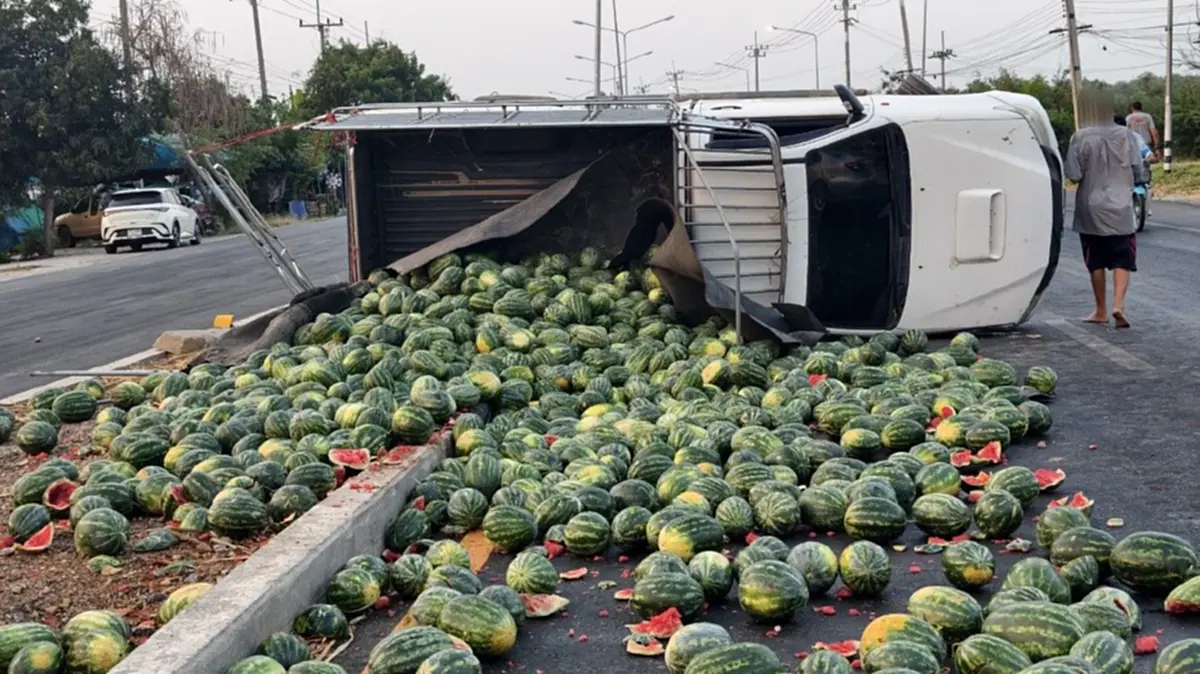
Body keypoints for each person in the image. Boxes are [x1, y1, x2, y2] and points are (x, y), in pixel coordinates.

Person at [1065, 89, 1149, 329]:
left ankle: (1100, 310)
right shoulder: (1127, 135)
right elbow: (1138, 169)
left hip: (1091, 207)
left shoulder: (1079, 137)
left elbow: (1073, 173)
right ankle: (1118, 306)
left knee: (1096, 260)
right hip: (1121, 206)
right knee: (1123, 257)